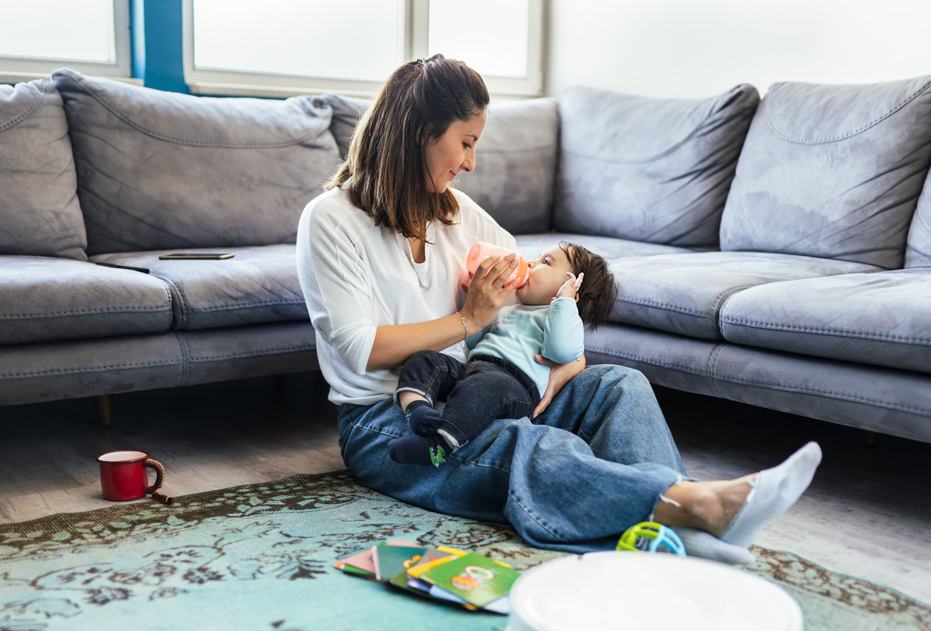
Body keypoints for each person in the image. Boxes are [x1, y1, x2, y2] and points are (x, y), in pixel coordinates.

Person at [296, 54, 821, 565]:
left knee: (619, 387)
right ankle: (698, 507)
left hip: (475, 388)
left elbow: (533, 289)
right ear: (420, 133)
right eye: (466, 143)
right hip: (388, 419)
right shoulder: (331, 220)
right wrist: (467, 321)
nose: (470, 163)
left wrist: (568, 363)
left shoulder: (456, 215)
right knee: (526, 445)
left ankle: (679, 529)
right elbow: (360, 348)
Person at [387, 241, 617, 467]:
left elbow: (561, 350)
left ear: (572, 287)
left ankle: (438, 446)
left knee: (479, 389)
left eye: (545, 262)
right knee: (425, 359)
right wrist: (478, 306)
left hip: (513, 385)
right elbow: (475, 340)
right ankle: (417, 410)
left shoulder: (561, 319)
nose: (529, 262)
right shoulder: (510, 309)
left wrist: (565, 301)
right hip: (474, 367)